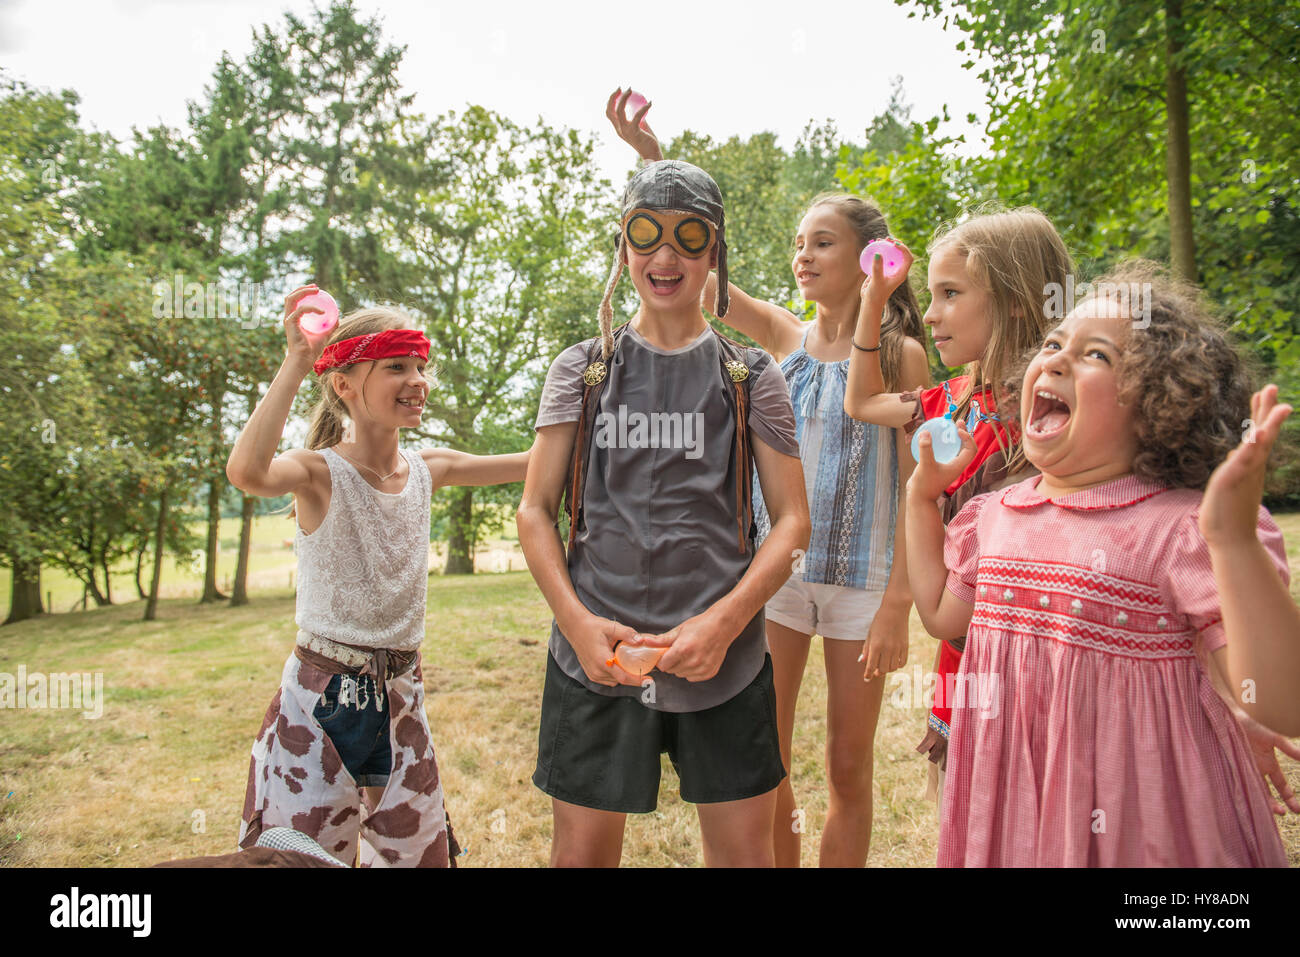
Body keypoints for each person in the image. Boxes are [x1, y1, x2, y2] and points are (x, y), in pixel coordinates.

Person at [604, 88, 930, 867]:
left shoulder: (904, 356)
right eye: (797, 242)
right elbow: (697, 277)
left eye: (822, 242)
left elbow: (926, 488)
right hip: (777, 578)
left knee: (849, 767)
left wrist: (896, 606)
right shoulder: (781, 338)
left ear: (869, 258)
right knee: (767, 760)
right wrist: (654, 167)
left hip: (861, 586)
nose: (803, 255)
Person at [908, 261, 1291, 865]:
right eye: (1054, 344)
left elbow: (1277, 700)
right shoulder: (994, 516)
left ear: (1161, 406)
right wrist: (920, 496)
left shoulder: (1182, 529)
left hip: (1148, 833)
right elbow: (936, 613)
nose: (1056, 359)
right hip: (1018, 825)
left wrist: (1236, 543)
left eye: (1097, 356)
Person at [517, 158, 811, 867]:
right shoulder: (582, 370)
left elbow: (793, 520)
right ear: (623, 246)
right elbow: (534, 510)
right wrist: (578, 624)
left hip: (727, 659)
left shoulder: (750, 375)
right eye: (645, 234)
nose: (666, 256)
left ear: (716, 253)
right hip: (598, 657)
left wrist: (725, 622)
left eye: (689, 236)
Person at [226, 290, 528, 867]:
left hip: (400, 696)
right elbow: (247, 471)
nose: (416, 379)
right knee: (310, 859)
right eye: (396, 367)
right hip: (321, 699)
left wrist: (596, 402)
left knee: (417, 856)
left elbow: (538, 460)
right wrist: (296, 360)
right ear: (344, 384)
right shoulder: (318, 473)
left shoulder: (428, 469)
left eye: (420, 366)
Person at [843, 208, 1073, 800]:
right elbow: (863, 401)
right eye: (932, 294)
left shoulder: (1058, 409)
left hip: (1045, 665)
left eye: (951, 293)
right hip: (964, 654)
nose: (933, 313)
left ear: (1017, 299)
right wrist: (874, 300)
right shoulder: (950, 402)